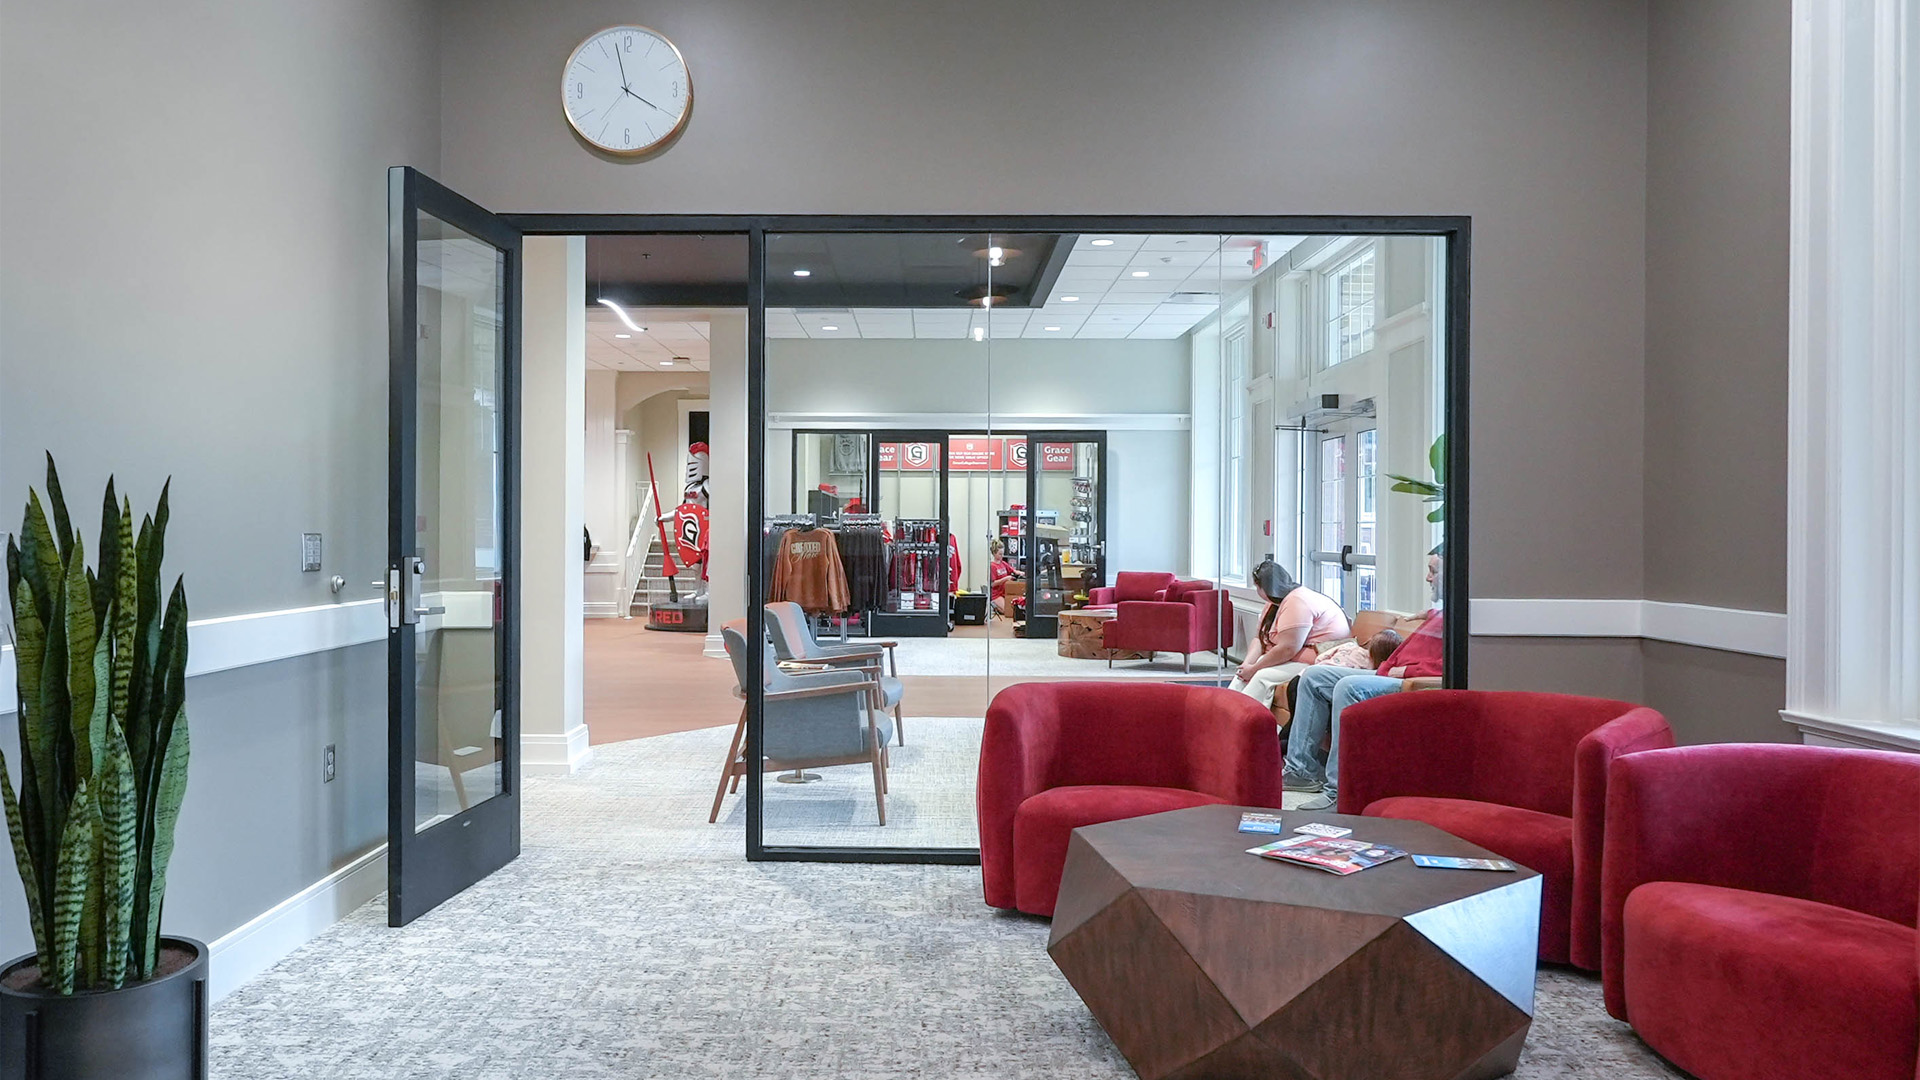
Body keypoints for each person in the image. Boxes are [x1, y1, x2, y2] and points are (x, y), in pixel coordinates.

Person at [1287, 546, 1446, 811]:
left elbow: (1452, 667)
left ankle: (1340, 792)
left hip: (1410, 683)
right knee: (1314, 677)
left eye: (1433, 571)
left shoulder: (1463, 616)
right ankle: (1301, 770)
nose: (1428, 578)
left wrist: (1408, 671)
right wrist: (1428, 615)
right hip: (1388, 672)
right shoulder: (1442, 611)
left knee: (1348, 687)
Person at [1228, 560, 1351, 708]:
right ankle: (1226, 711)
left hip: (1319, 660)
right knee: (1245, 673)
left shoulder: (1297, 601)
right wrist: (1247, 665)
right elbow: (1259, 638)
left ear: (1263, 588)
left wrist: (1254, 669)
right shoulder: (1274, 603)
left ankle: (1242, 716)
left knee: (1262, 676)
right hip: (1295, 656)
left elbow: (1288, 649)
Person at [987, 539, 1021, 617]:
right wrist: (1005, 579)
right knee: (1008, 611)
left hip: (1004, 593)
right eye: (1000, 554)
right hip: (996, 595)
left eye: (1003, 554)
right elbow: (992, 584)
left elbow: (1014, 571)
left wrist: (1022, 573)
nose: (1002, 556)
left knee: (1015, 610)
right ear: (994, 553)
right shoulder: (992, 566)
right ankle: (995, 606)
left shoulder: (1003, 563)